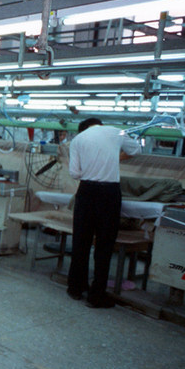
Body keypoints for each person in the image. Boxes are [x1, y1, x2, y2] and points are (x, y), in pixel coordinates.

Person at [66, 117, 141, 308]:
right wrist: (111, 158)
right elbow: (136, 150)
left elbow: (74, 173)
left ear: (83, 129)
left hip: (86, 191)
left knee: (81, 241)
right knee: (104, 245)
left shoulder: (77, 140)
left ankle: (75, 288)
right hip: (109, 193)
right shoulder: (118, 131)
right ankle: (96, 295)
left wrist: (91, 167)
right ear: (99, 124)